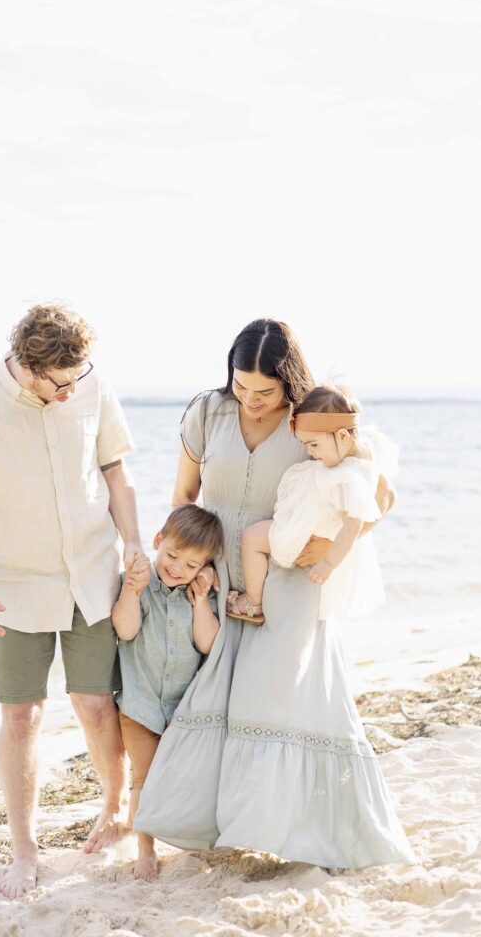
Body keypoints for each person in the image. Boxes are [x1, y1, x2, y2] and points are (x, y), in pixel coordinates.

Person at [134, 318, 414, 869]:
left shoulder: (312, 416)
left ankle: (317, 833)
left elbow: (377, 495)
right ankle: (228, 829)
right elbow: (184, 495)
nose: (252, 400)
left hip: (286, 587)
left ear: (289, 382)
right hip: (216, 584)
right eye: (241, 387)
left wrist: (329, 545)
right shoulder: (206, 413)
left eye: (265, 391)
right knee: (217, 704)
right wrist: (188, 563)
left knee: (285, 704)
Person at [0, 302, 143, 899]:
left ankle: (115, 809)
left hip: (93, 576)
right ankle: (25, 850)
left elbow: (116, 473)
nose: (73, 391)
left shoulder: (89, 385)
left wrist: (134, 544)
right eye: (59, 383)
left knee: (96, 705)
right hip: (13, 587)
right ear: (25, 364)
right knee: (22, 716)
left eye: (79, 378)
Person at [112, 505, 223, 880]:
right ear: (158, 542)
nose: (177, 568)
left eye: (192, 565)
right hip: (140, 705)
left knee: (176, 776)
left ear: (205, 566)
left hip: (181, 709)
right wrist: (131, 589)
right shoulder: (142, 586)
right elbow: (125, 630)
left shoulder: (199, 596)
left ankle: (172, 828)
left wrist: (199, 603)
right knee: (145, 777)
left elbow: (207, 643)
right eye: (172, 556)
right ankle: (145, 847)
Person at [232, 384, 394, 625]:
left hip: (305, 532)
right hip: (313, 526)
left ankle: (253, 602)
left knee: (252, 539)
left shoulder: (347, 479)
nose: (310, 452)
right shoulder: (363, 448)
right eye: (305, 444)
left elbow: (352, 528)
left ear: (342, 436)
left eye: (314, 445)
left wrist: (329, 563)